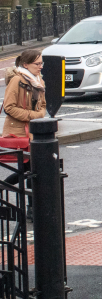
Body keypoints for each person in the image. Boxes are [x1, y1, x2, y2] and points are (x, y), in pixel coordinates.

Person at [3, 49, 47, 222]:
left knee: (29, 169)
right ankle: (30, 208)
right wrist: (33, 116)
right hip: (18, 132)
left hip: (33, 132)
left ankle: (31, 208)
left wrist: (40, 113)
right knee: (28, 169)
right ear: (26, 64)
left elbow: (42, 105)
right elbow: (9, 107)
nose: (41, 67)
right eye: (37, 63)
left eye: (41, 63)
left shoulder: (38, 81)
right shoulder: (17, 80)